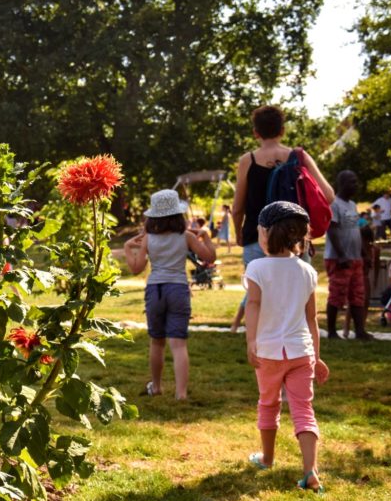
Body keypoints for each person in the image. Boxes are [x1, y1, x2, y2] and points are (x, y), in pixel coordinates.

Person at [244, 201, 328, 492]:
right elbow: (312, 319)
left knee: (268, 403)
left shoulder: (256, 267)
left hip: (268, 353)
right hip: (302, 353)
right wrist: (317, 357)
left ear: (265, 232)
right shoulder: (307, 271)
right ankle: (310, 472)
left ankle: (267, 459)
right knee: (304, 409)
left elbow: (252, 305)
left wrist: (250, 340)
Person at [230, 105, 334, 332]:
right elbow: (328, 195)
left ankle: (263, 349)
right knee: (299, 297)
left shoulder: (247, 161)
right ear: (283, 130)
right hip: (294, 238)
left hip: (256, 239)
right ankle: (298, 346)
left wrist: (238, 233)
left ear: (255, 132)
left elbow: (238, 207)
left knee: (259, 299)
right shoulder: (299, 157)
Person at [124, 189, 216, 400]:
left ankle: (156, 386)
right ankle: (181, 393)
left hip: (155, 289)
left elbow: (137, 268)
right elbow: (209, 257)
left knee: (157, 341)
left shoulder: (149, 239)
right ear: (178, 214)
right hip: (178, 289)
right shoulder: (186, 237)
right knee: (179, 343)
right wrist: (206, 237)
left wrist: (129, 248)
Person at [324, 171, 371, 340]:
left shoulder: (352, 204)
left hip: (355, 258)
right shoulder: (334, 204)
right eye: (352, 182)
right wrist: (341, 254)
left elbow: (355, 230)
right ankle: (331, 332)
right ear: (341, 184)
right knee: (337, 295)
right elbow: (332, 229)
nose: (356, 185)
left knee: (358, 295)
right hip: (339, 259)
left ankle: (360, 331)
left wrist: (364, 254)